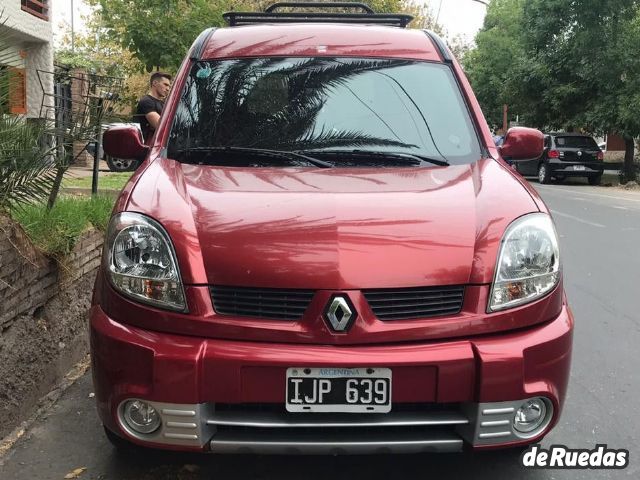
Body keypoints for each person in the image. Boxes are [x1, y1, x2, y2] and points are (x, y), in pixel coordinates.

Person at [134, 72, 172, 142]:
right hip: (151, 147)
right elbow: (162, 127)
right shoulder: (146, 101)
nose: (168, 89)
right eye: (165, 85)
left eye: (169, 86)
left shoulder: (164, 104)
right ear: (154, 83)